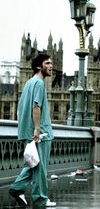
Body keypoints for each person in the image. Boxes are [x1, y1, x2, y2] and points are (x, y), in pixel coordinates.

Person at [9, 53, 56, 207]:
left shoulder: (29, 83)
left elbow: (22, 108)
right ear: (38, 66)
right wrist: (37, 129)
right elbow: (36, 107)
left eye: (51, 63)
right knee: (40, 168)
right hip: (40, 133)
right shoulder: (40, 83)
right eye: (47, 63)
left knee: (33, 163)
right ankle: (40, 199)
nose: (51, 66)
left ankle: (16, 188)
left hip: (27, 131)